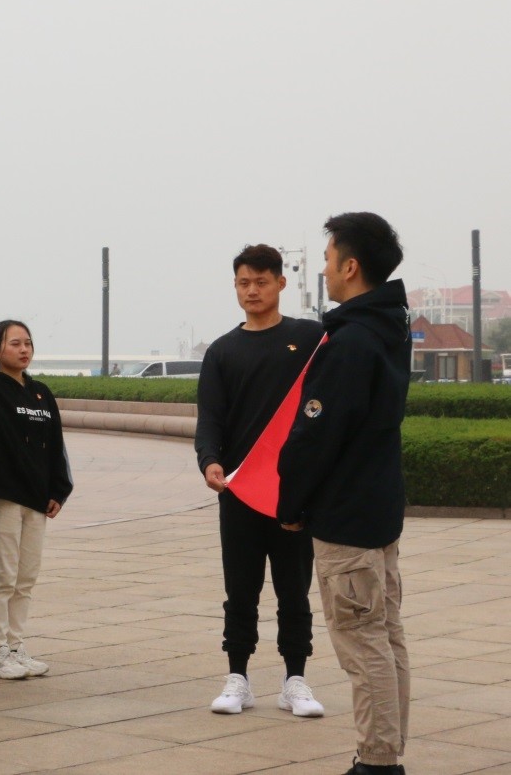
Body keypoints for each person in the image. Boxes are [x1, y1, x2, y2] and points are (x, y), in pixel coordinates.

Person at [278, 213, 412, 775]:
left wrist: (290, 503)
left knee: (363, 642)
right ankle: (385, 752)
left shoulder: (351, 340)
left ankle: (378, 762)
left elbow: (317, 433)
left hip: (347, 518)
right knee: (385, 636)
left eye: (330, 259)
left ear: (351, 266)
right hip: (377, 510)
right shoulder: (388, 329)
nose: (326, 270)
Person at [195, 244, 327, 718]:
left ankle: (295, 680)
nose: (252, 291)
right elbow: (210, 418)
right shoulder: (222, 351)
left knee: (294, 590)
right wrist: (209, 461)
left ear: (280, 284)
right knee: (241, 590)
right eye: (243, 283)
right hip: (240, 490)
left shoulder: (310, 338)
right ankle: (238, 678)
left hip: (293, 492)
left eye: (261, 282)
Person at [0, 319, 72, 681]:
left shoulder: (40, 392)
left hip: (36, 498)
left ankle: (16, 646)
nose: (24, 350)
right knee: (2, 577)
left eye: (28, 343)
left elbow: (55, 443)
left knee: (25, 578)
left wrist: (59, 490)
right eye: (15, 343)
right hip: (1, 493)